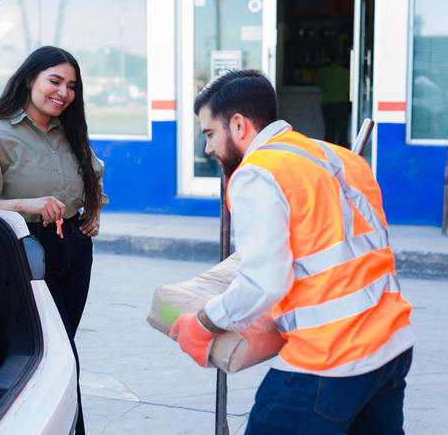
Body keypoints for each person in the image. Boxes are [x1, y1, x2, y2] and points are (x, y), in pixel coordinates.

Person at [169, 69, 416, 434]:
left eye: (209, 133)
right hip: (392, 345)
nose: (207, 148)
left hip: (329, 360)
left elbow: (263, 282)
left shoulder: (257, 173)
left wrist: (203, 324)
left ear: (237, 125)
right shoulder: (342, 158)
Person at [0, 45, 108, 434]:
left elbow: (93, 176)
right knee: (59, 355)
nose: (63, 92)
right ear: (29, 80)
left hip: (75, 249)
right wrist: (29, 204)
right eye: (54, 81)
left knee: (62, 348)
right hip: (26, 250)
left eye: (71, 86)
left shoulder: (70, 130)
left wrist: (93, 211)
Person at [317, 48, 351, 149]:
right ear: (338, 58)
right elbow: (348, 89)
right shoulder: (344, 72)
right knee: (342, 132)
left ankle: (327, 156)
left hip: (327, 103)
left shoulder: (323, 71)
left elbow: (320, 85)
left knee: (329, 132)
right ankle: (342, 156)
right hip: (341, 103)